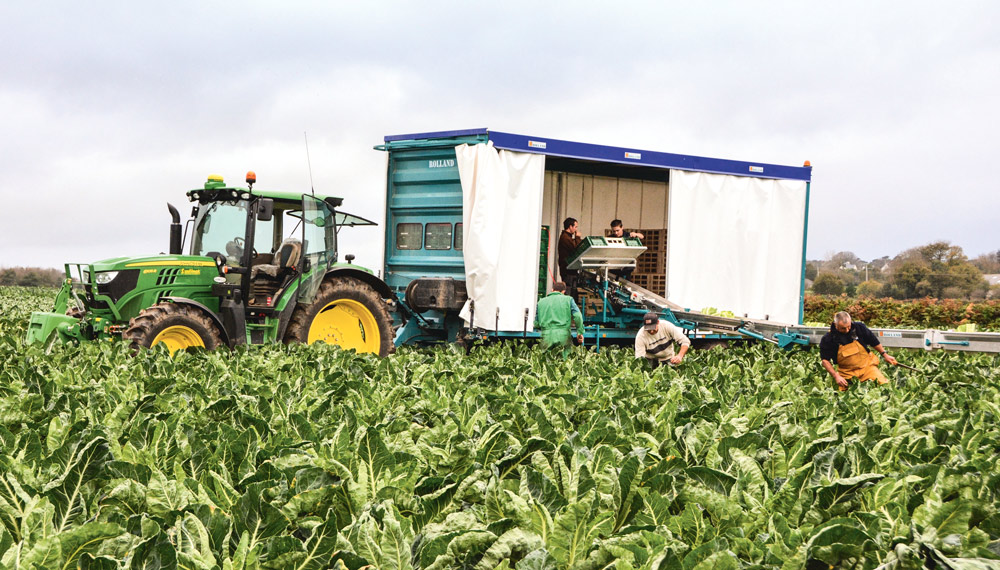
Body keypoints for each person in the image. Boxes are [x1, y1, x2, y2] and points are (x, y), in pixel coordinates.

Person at [820, 311, 898, 391]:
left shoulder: (859, 328)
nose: (847, 330)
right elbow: (825, 361)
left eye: (849, 327)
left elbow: (873, 341)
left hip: (867, 368)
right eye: (843, 328)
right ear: (835, 325)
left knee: (884, 387)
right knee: (842, 396)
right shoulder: (828, 338)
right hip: (847, 372)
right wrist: (836, 376)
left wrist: (885, 355)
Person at [535, 281, 585, 358]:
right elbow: (578, 316)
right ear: (563, 291)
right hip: (563, 336)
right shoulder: (569, 300)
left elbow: (536, 322)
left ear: (552, 289)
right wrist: (580, 332)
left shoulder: (541, 302)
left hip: (547, 336)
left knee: (547, 362)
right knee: (564, 364)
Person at [557, 217, 583, 297]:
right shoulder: (565, 238)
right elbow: (575, 249)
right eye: (575, 227)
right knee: (569, 291)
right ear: (570, 227)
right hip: (567, 270)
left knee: (572, 291)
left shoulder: (567, 237)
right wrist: (577, 237)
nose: (576, 229)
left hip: (569, 269)